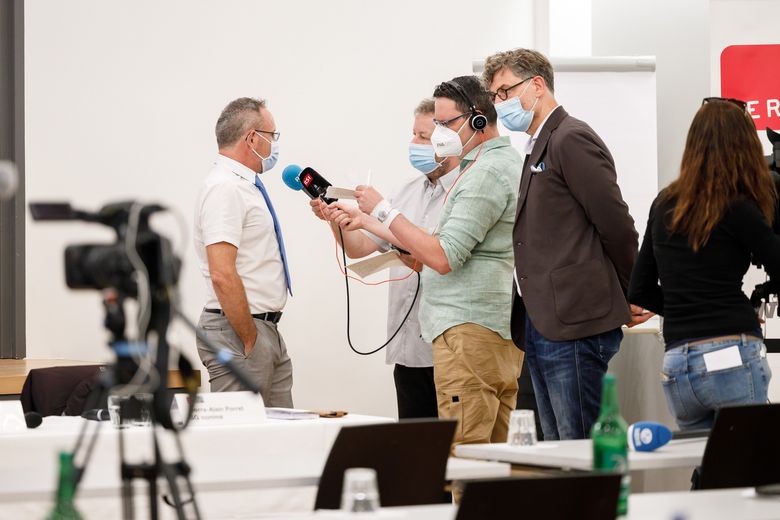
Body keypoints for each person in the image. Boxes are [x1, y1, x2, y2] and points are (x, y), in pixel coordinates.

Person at [328, 76, 524, 446]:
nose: (438, 135)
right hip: (475, 331)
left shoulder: (484, 173)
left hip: (468, 331)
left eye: (445, 125)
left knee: (466, 458)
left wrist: (383, 212)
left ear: (478, 119)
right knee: (488, 456)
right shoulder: (491, 167)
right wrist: (367, 220)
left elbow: (443, 255)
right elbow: (435, 241)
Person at [482, 48, 641, 441]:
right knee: (556, 450)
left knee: (580, 446)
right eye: (496, 96)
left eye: (506, 91)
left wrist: (635, 290)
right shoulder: (536, 146)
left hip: (575, 318)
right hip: (542, 319)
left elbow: (615, 223)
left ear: (537, 85)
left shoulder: (570, 137)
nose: (500, 103)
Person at [629, 98, 775, 430]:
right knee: (745, 456)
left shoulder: (664, 204)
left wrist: (686, 308)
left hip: (678, 366)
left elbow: (638, 289)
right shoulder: (738, 207)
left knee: (704, 459)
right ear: (744, 148)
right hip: (731, 354)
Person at [310, 98, 460, 419]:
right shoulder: (404, 191)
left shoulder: (464, 191)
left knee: (454, 443)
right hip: (408, 350)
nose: (414, 143)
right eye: (413, 134)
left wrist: (371, 218)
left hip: (449, 350)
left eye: (423, 137)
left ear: (446, 142)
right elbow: (359, 248)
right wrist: (335, 219)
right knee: (413, 443)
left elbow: (438, 252)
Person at [193, 97, 294, 406]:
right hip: (239, 330)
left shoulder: (244, 185)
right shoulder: (226, 187)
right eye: (272, 135)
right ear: (252, 138)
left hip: (263, 328)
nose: (275, 144)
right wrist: (249, 338)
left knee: (282, 430)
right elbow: (222, 273)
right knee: (241, 432)